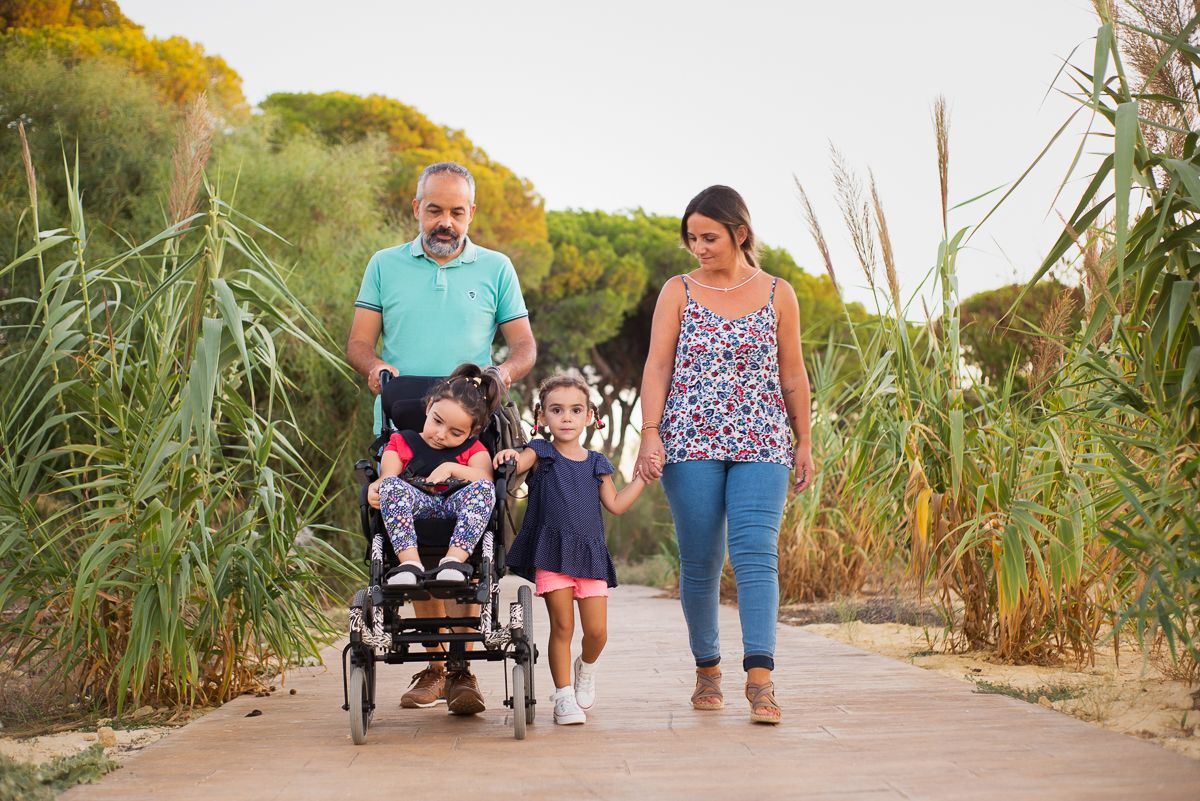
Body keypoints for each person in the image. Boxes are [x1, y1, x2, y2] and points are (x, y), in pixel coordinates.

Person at [347, 161, 536, 715]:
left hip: (473, 424)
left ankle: (461, 670)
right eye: (435, 209)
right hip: (406, 425)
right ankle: (437, 668)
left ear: (471, 213)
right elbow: (359, 342)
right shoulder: (384, 265)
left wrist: (504, 374)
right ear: (417, 208)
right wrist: (375, 366)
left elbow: (523, 347)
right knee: (420, 539)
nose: (445, 222)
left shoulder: (496, 267)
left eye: (456, 211)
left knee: (471, 541)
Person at [634, 185, 815, 725]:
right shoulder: (677, 291)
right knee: (702, 560)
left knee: (756, 552)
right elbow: (657, 367)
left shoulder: (779, 292)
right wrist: (649, 431)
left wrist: (804, 440)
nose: (699, 248)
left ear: (740, 233)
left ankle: (760, 679)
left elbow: (793, 373)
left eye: (709, 237)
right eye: (691, 238)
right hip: (689, 440)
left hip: (763, 439)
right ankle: (707, 669)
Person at [492, 374, 648, 725]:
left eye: (575, 410)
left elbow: (617, 504)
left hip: (590, 553)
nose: (566, 417)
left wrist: (642, 478)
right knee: (562, 627)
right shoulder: (541, 450)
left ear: (590, 416)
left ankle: (585, 667)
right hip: (552, 551)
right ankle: (563, 697)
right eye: (557, 410)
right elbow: (519, 463)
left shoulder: (598, 463)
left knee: (596, 633)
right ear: (542, 415)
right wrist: (510, 456)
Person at [367, 364, 501, 589]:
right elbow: (388, 476)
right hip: (416, 504)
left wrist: (453, 468)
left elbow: (485, 478)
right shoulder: (402, 441)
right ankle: (410, 565)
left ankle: (453, 563)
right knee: (390, 485)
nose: (441, 435)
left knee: (485, 489)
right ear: (429, 407)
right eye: (437, 422)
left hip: (456, 505)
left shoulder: (474, 448)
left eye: (455, 432)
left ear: (473, 431)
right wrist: (376, 488)